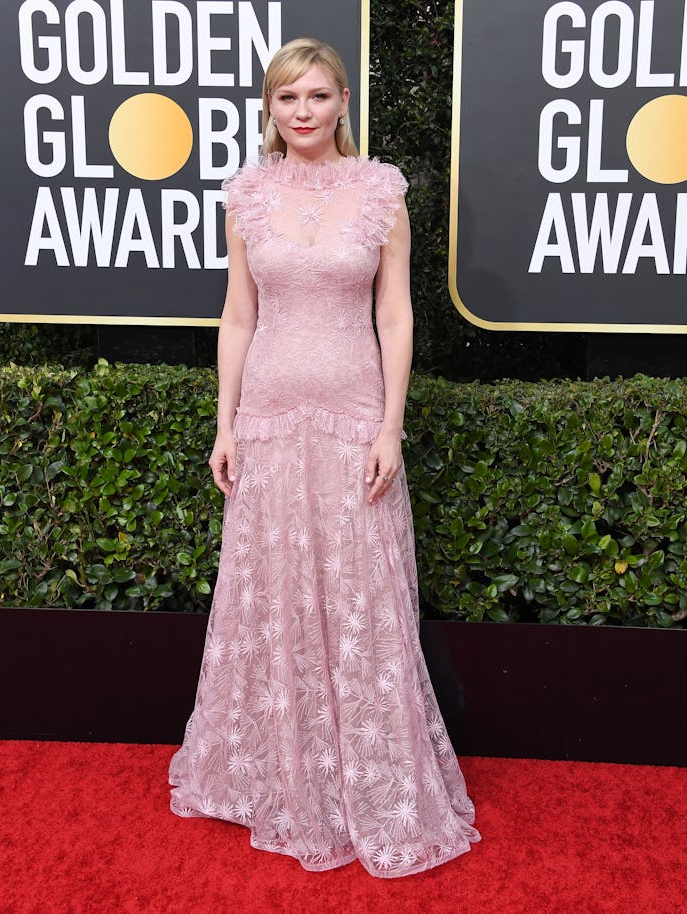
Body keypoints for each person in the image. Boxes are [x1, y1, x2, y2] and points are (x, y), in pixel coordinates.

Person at [169, 37, 480, 877]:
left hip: (351, 416)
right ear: (269, 109)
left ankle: (363, 783)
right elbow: (237, 318)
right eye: (285, 99)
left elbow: (397, 318)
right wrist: (225, 424)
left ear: (344, 100)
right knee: (269, 594)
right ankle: (270, 773)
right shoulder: (246, 195)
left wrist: (389, 426)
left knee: (360, 596)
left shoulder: (382, 192)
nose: (301, 112)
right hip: (269, 414)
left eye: (315, 96)